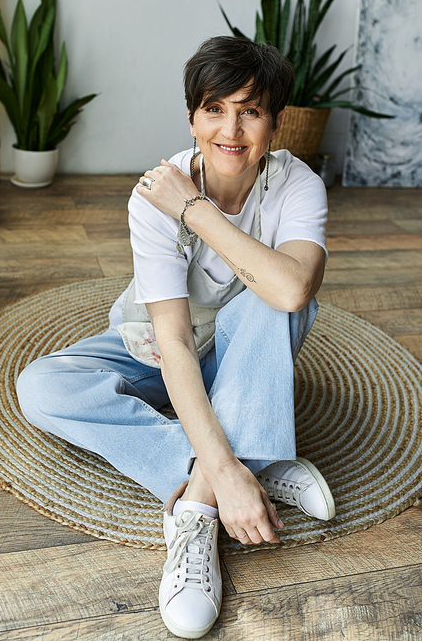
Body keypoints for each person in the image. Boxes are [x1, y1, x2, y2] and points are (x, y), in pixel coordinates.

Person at [17, 36, 335, 640]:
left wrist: (194, 209)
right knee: (41, 386)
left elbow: (294, 290)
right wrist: (222, 464)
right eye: (214, 109)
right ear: (192, 117)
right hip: (160, 346)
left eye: (250, 110)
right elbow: (175, 341)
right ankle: (243, 467)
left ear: (277, 121)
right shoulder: (151, 195)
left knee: (273, 301)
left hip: (247, 349)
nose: (230, 130)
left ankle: (195, 513)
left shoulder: (297, 185)